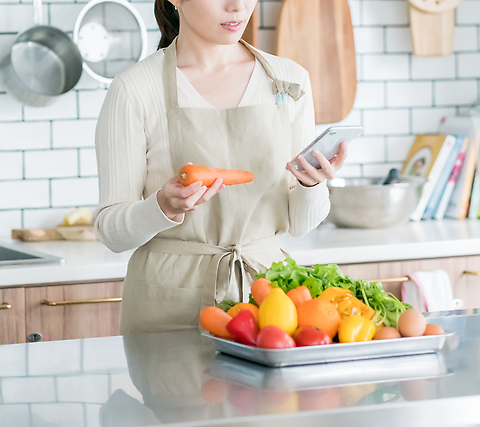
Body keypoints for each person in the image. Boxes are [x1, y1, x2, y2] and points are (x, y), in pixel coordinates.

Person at [94, 0, 348, 333]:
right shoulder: (135, 90)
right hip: (169, 305)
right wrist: (161, 207)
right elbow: (111, 233)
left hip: (270, 302)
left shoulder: (288, 80)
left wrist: (311, 186)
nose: (238, 6)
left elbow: (300, 225)